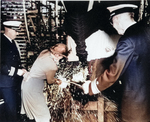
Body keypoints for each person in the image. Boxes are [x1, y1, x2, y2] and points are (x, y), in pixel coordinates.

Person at [82, 4, 150, 122]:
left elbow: (113, 74)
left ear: (116, 19)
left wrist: (91, 86)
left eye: (112, 21)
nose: (113, 26)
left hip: (136, 106)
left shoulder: (127, 40)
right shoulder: (146, 30)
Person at [20, 43, 70, 122]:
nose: (61, 58)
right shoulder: (52, 66)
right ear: (58, 55)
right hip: (33, 89)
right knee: (44, 116)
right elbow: (50, 81)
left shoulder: (45, 52)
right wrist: (60, 81)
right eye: (62, 56)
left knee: (32, 115)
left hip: (27, 84)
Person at [0, 21, 27, 122]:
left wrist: (21, 69)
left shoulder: (11, 42)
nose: (18, 33)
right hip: (5, 84)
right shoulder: (2, 42)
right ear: (8, 29)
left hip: (12, 83)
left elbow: (14, 61)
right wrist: (17, 72)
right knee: (10, 112)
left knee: (13, 110)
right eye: (16, 31)